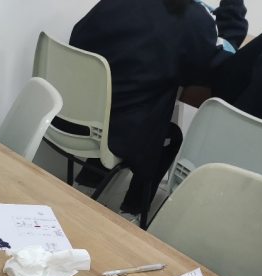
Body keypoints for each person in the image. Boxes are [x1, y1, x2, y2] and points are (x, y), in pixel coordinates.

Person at [69, 0, 248, 222]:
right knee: (169, 136)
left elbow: (78, 35)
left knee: (124, 102)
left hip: (74, 116)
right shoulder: (192, 19)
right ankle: (131, 212)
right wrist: (232, 12)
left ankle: (85, 183)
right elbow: (215, 66)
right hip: (119, 134)